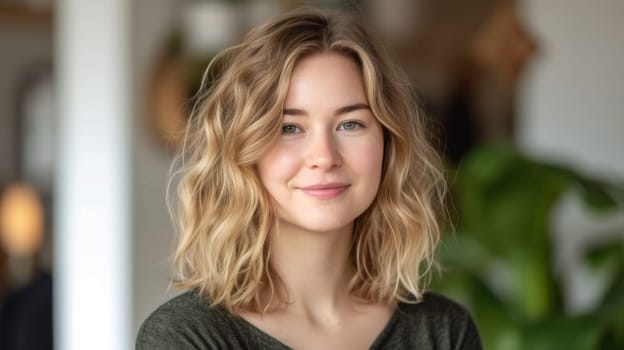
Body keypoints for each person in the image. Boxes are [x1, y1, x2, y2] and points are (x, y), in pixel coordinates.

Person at [136, 7, 482, 350]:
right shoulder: (186, 336)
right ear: (244, 150)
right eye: (289, 127)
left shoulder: (444, 331)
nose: (324, 157)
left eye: (350, 124)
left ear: (388, 143)